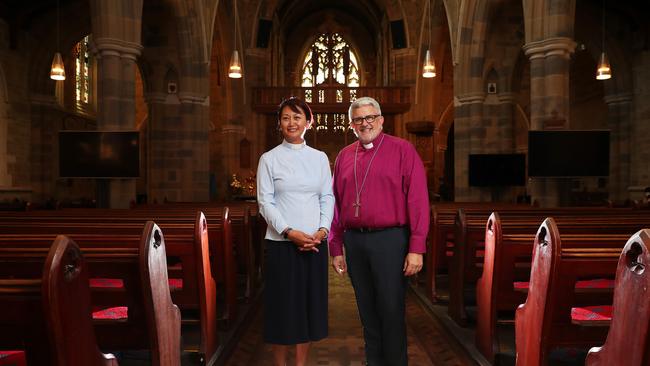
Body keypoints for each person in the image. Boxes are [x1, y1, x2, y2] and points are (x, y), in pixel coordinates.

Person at [329, 96, 430, 365]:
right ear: (351, 125)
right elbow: (336, 205)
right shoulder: (343, 156)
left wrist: (416, 247)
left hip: (391, 241)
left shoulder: (403, 150)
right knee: (367, 311)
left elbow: (418, 200)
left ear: (381, 120)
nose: (365, 123)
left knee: (391, 310)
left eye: (370, 117)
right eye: (359, 119)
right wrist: (335, 246)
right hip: (355, 241)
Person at [256, 96, 334, 366]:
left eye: (297, 117)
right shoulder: (269, 159)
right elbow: (265, 202)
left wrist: (322, 231)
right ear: (279, 123)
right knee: (282, 311)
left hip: (314, 244)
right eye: (286, 117)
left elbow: (327, 197)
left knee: (307, 310)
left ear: (308, 122)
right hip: (281, 244)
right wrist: (289, 232)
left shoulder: (320, 158)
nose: (292, 122)